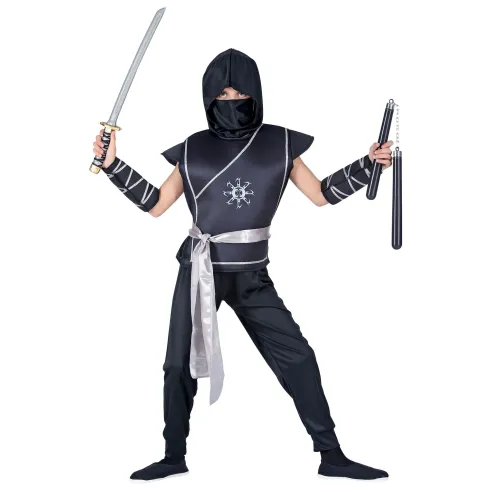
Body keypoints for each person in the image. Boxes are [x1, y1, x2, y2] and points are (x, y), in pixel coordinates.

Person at [92, 48, 393, 481]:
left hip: (252, 276)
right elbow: (156, 204)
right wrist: (112, 166)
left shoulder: (280, 144)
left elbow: (321, 194)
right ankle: (173, 456)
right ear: (209, 98)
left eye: (239, 93)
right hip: (199, 271)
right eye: (223, 94)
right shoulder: (193, 149)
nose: (231, 100)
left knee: (299, 358)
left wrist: (368, 165)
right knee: (178, 364)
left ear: (255, 94)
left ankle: (332, 456)